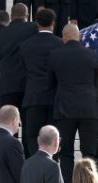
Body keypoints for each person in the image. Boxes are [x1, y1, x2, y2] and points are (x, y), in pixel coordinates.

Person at [47, 23, 98, 183]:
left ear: (63, 38)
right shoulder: (92, 54)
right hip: (89, 108)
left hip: (65, 108)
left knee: (66, 152)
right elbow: (96, 82)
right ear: (80, 37)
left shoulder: (55, 55)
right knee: (89, 152)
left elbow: (49, 84)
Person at [0, 3, 37, 150]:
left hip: (6, 86)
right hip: (28, 86)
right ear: (27, 15)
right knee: (29, 130)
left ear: (11, 16)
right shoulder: (33, 29)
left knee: (7, 130)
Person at [20, 8, 62, 156]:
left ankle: (35, 163)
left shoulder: (26, 45)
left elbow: (24, 71)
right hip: (54, 98)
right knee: (53, 136)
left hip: (33, 97)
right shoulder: (60, 45)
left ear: (37, 24)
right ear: (53, 23)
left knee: (32, 135)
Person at [0, 105, 25, 183]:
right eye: (19, 119)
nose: (20, 122)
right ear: (14, 120)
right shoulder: (13, 143)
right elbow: (21, 175)